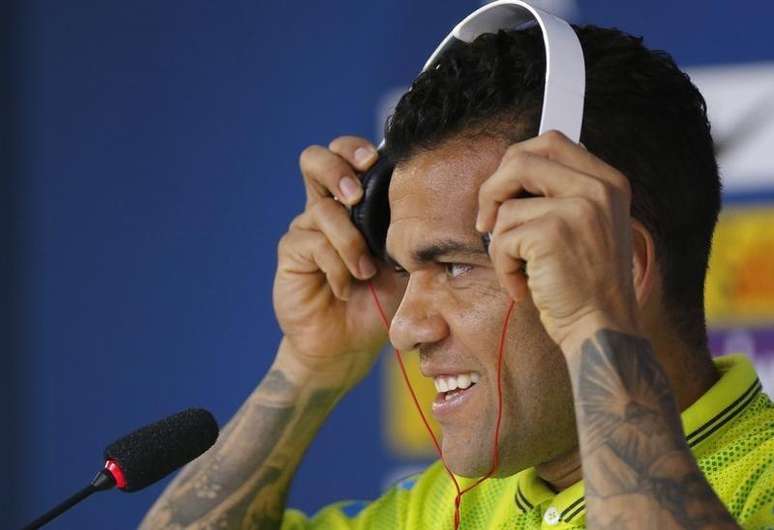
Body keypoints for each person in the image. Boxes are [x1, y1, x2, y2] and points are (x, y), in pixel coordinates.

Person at [140, 24, 774, 530]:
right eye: (402, 268)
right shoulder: (445, 506)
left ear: (620, 263)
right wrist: (311, 361)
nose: (406, 329)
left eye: (454, 265)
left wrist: (594, 326)